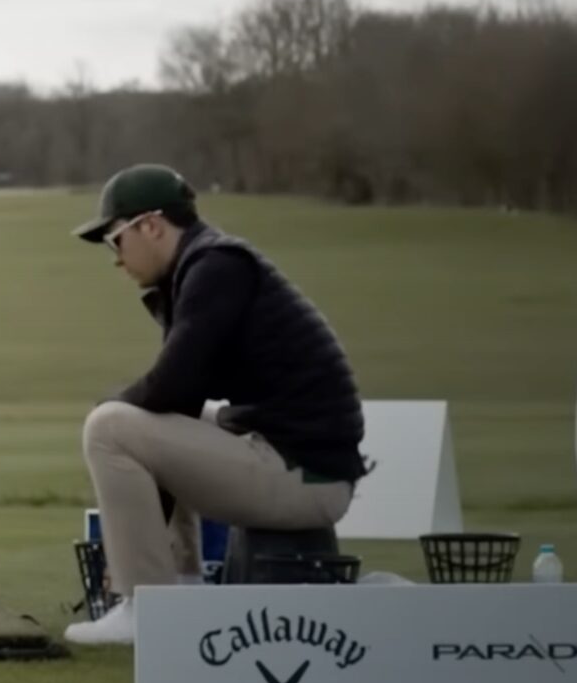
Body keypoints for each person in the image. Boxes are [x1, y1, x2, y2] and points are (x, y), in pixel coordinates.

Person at [62, 163, 369, 645]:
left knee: (109, 426)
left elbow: (169, 390)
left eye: (115, 239)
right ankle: (179, 592)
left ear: (150, 226)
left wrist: (112, 404)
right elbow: (176, 406)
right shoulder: (204, 267)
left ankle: (146, 608)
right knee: (139, 422)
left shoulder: (215, 268)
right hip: (298, 463)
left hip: (308, 480)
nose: (115, 258)